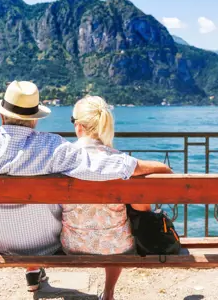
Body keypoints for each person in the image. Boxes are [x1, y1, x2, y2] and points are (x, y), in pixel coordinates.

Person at [0, 81, 172, 292]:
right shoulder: (52, 147)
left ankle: (33, 275)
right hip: (46, 246)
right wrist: (147, 166)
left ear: (1, 114)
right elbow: (100, 168)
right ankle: (37, 269)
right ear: (36, 119)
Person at [61, 96, 160, 300]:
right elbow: (163, 174)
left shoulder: (61, 158)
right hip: (117, 247)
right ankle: (109, 293)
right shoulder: (121, 162)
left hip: (71, 244)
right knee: (117, 228)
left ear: (79, 126)